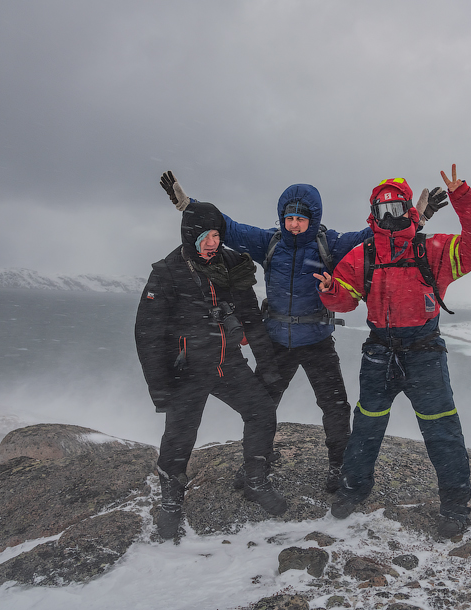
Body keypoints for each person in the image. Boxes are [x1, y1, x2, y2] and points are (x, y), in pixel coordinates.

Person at [160, 172, 422, 493]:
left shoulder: (332, 245)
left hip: (317, 341)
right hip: (275, 344)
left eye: (300, 218)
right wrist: (189, 206)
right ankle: (257, 463)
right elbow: (228, 227)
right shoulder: (269, 243)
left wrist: (415, 218)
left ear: (313, 219)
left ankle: (339, 466)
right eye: (289, 217)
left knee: (335, 405)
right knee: (262, 405)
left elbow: (377, 236)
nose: (293, 224)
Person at [314, 164, 471, 538]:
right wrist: (331, 291)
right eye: (383, 210)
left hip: (424, 351)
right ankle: (353, 489)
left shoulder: (433, 250)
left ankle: (456, 505)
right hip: (379, 352)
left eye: (397, 208)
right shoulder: (363, 255)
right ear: (373, 214)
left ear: (410, 208)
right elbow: (345, 303)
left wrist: (463, 196)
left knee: (441, 428)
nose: (390, 216)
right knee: (366, 425)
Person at [134, 200, 288, 542]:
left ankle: (254, 481)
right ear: (191, 236)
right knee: (179, 438)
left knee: (262, 411)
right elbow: (147, 334)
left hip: (227, 363)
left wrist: (268, 366)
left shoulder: (232, 265)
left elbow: (251, 319)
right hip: (186, 369)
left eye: (217, 234)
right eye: (205, 235)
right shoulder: (168, 271)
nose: (212, 242)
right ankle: (172, 504)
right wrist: (158, 387)